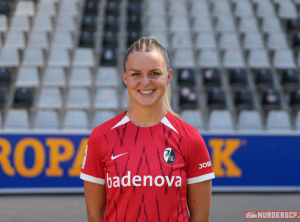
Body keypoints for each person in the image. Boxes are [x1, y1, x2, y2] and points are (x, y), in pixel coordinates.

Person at [80, 37, 215, 222]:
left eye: (154, 73)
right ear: (125, 77)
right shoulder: (101, 137)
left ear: (168, 77)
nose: (145, 82)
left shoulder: (190, 139)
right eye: (136, 74)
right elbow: (94, 216)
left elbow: (201, 217)